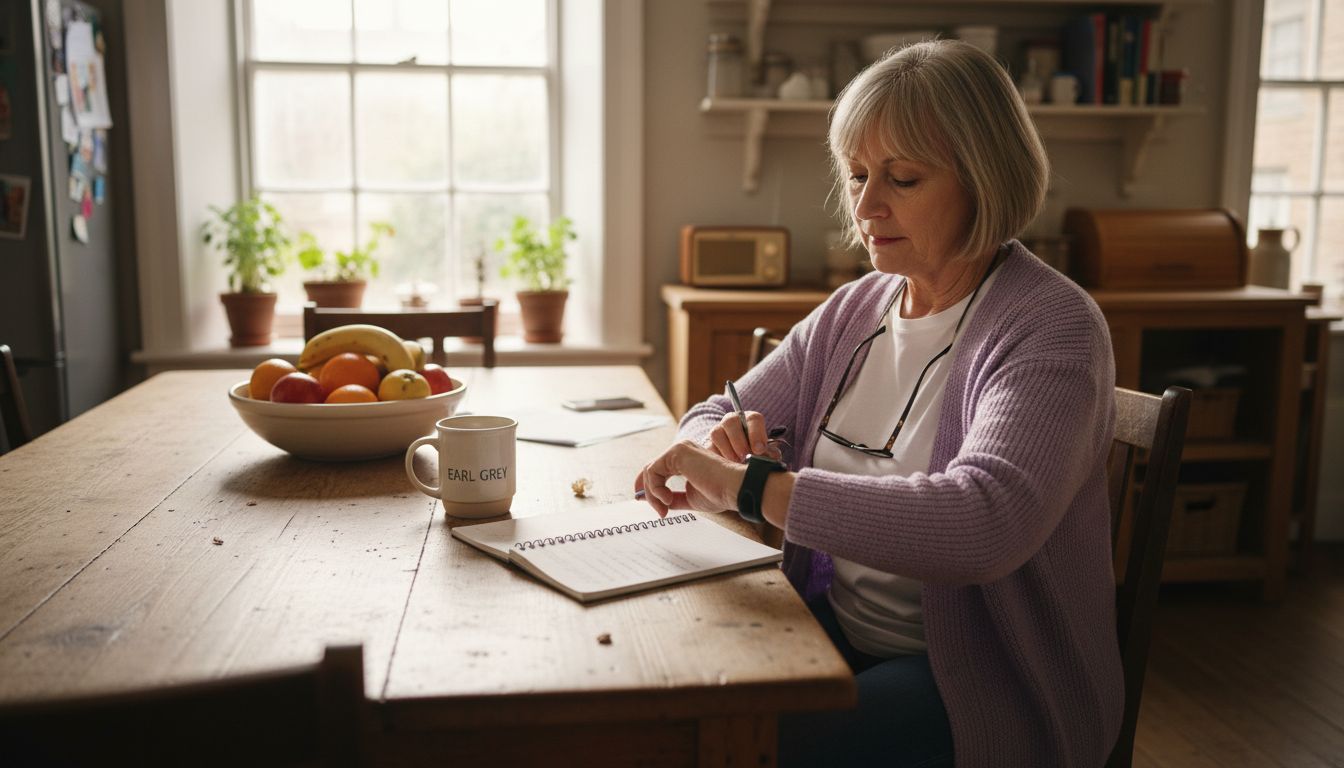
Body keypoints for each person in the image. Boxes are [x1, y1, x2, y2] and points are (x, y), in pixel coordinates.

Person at [635, 40, 1123, 767]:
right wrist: (724, 440)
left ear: (986, 180)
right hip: (837, 626)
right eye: (858, 174)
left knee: (738, 747)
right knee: (676, 694)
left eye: (902, 177)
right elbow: (714, 411)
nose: (864, 204)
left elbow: (984, 524)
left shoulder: (1052, 327)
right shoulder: (857, 307)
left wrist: (757, 486)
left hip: (985, 680)